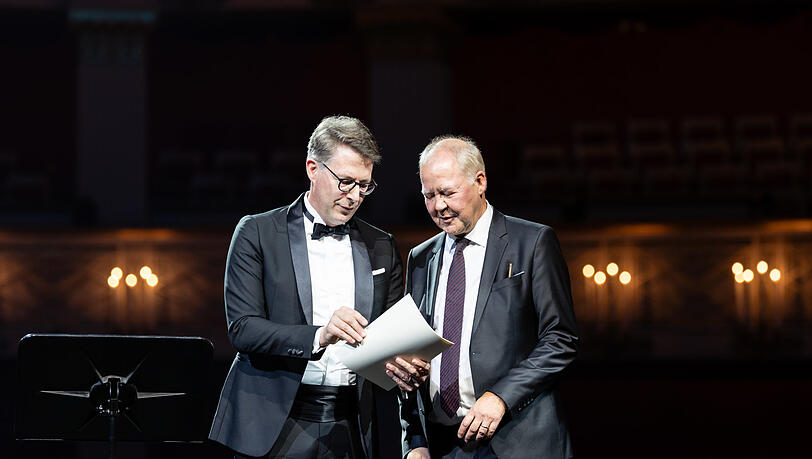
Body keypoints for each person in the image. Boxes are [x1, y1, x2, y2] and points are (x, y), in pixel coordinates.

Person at [209, 115, 403, 459]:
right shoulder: (258, 232)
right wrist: (319, 336)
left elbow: (389, 336)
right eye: (345, 182)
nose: (355, 196)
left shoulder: (382, 245)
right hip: (276, 417)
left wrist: (405, 358)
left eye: (364, 185)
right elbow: (243, 329)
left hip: (353, 422)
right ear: (313, 168)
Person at [389, 136, 579, 459]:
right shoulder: (420, 258)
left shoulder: (532, 242)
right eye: (429, 195)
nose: (438, 206)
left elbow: (561, 339)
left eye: (447, 192)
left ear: (480, 181)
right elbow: (409, 355)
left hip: (520, 441)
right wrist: (414, 439)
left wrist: (501, 397)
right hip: (443, 446)